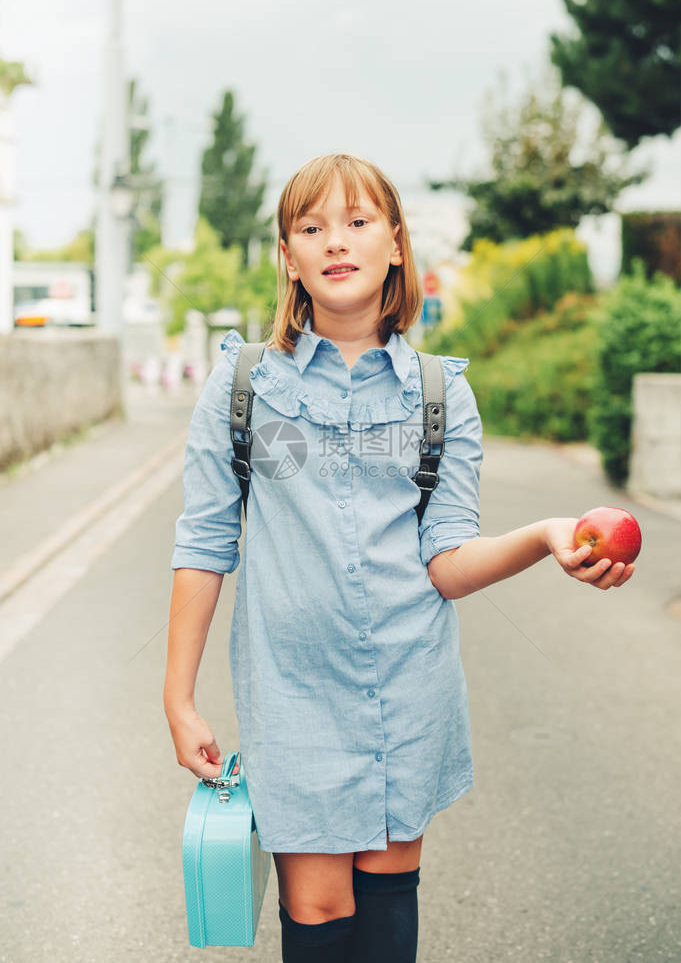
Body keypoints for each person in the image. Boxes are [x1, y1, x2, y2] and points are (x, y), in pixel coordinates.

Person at [163, 152, 635, 963]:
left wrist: (544, 534)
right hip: (292, 691)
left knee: (384, 919)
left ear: (394, 244)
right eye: (310, 227)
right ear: (288, 255)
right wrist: (178, 697)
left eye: (357, 222)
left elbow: (445, 561)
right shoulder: (243, 385)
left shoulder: (439, 394)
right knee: (317, 910)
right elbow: (205, 543)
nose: (334, 241)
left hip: (404, 689)